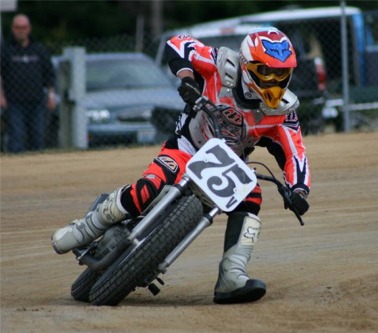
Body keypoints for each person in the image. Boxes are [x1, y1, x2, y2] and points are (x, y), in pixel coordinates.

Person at [51, 27, 311, 304]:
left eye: (281, 73)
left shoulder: (284, 111)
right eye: (266, 72)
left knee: (252, 199)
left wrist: (299, 190)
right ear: (247, 65)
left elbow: (295, 152)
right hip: (188, 146)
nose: (274, 80)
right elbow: (178, 43)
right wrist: (187, 78)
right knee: (149, 186)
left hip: (230, 164)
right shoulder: (222, 64)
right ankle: (88, 227)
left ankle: (231, 276)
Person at [0, 14, 56, 153]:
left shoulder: (38, 49)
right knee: (16, 138)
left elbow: (49, 74)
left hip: (36, 101)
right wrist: (1, 96)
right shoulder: (5, 50)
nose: (21, 30)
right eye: (18, 27)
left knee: (37, 137)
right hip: (14, 102)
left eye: (24, 27)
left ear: (29, 29)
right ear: (12, 29)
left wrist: (51, 95)